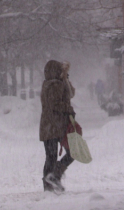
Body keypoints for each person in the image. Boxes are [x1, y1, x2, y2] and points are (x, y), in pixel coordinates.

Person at [39, 60, 75, 193]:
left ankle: (50, 183)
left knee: (51, 157)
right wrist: (69, 108)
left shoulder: (49, 84)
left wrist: (65, 79)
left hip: (50, 126)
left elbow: (71, 93)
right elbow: (55, 104)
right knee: (70, 152)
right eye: (60, 70)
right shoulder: (55, 85)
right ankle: (53, 179)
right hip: (54, 126)